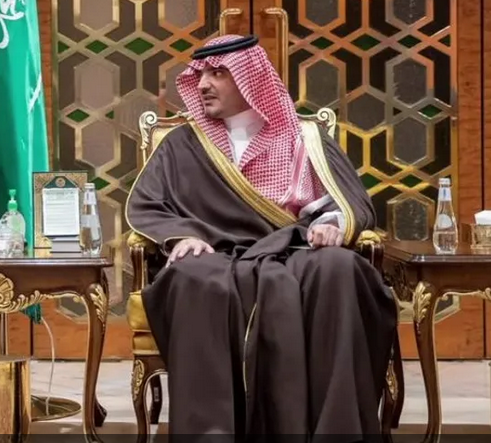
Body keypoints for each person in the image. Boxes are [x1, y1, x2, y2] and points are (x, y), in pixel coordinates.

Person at [126, 35, 397, 439]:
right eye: (200, 75)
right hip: (216, 253)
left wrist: (333, 224)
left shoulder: (303, 137)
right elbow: (148, 204)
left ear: (250, 78)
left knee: (340, 269)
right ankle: (212, 434)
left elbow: (347, 201)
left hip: (294, 249)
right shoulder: (183, 143)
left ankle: (335, 430)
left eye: (218, 73)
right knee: (193, 277)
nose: (203, 84)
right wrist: (179, 236)